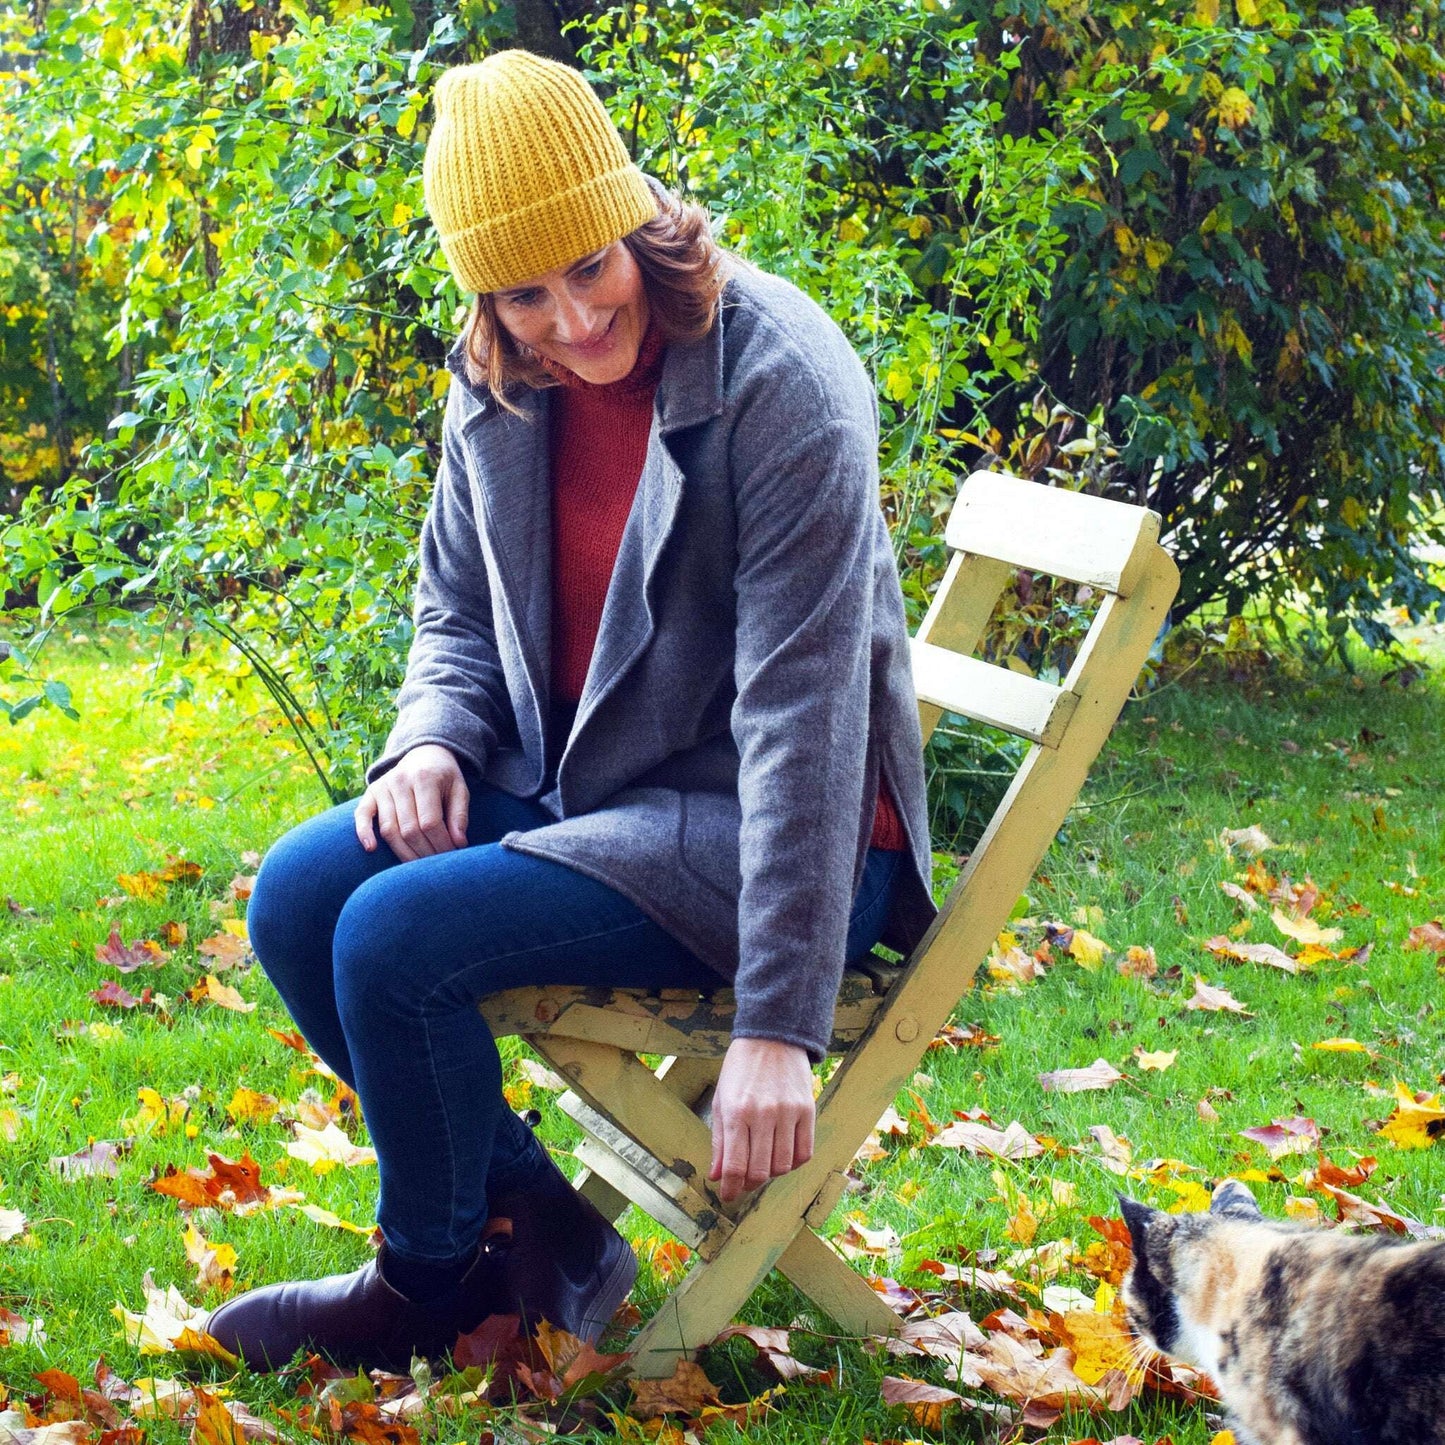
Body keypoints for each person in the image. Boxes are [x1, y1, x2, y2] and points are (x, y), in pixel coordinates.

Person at [207, 48, 936, 1373]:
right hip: (595, 790)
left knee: (395, 938)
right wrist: (430, 734)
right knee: (303, 895)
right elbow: (452, 608)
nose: (570, 321)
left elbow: (804, 725)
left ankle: (423, 1280)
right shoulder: (496, 375)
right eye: (522, 293)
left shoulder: (782, 385)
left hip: (778, 841)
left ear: (638, 224)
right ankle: (547, 1228)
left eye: (587, 271)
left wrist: (777, 1023)